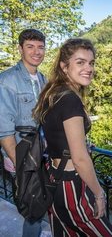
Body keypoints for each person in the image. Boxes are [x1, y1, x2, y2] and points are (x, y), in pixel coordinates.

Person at [33, 38, 112, 236]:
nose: (88, 68)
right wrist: (99, 194)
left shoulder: (53, 94)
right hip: (71, 185)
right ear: (64, 67)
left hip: (54, 179)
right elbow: (79, 158)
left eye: (91, 62)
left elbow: (57, 135)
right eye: (80, 62)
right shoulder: (70, 99)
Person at [0, 29, 47, 236]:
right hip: (22, 159)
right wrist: (20, 166)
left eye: (40, 47)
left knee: (42, 204)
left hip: (41, 156)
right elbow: (4, 130)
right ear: (20, 49)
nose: (36, 52)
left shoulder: (43, 79)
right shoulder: (7, 80)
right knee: (33, 211)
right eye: (30, 46)